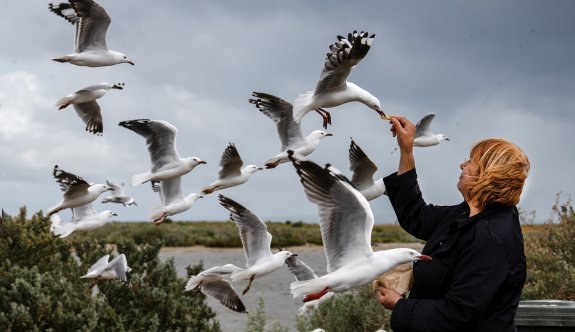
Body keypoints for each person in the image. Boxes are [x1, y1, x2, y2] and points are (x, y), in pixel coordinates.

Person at [376, 116, 530, 332]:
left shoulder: (491, 237)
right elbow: (416, 216)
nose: (462, 164)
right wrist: (407, 150)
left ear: (488, 174)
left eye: (471, 161)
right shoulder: (467, 214)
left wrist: (400, 306)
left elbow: (458, 316)